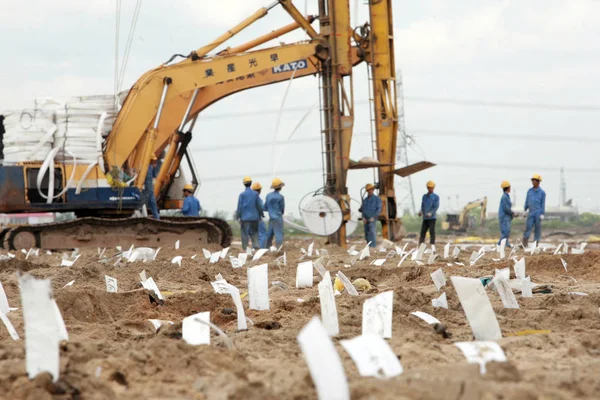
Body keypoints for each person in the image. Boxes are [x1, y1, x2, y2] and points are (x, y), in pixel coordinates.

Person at [236, 176, 263, 250]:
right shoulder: (255, 194)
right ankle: (256, 247)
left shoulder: (242, 195)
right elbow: (259, 206)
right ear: (251, 183)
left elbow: (239, 207)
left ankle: (245, 249)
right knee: (254, 233)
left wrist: (238, 217)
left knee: (245, 235)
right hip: (255, 218)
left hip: (245, 218)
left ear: (244, 184)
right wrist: (261, 215)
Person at [523, 174, 546, 247]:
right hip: (531, 212)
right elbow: (527, 201)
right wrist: (525, 209)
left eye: (534, 181)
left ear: (538, 182)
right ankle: (525, 242)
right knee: (528, 227)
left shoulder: (542, 193)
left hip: (538, 212)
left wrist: (542, 213)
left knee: (537, 228)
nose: (533, 182)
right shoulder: (529, 191)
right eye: (532, 180)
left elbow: (543, 204)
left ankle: (536, 243)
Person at [265, 178, 286, 248]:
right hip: (278, 218)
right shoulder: (280, 197)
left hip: (271, 218)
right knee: (279, 234)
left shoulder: (268, 196)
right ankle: (279, 249)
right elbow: (282, 209)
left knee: (269, 235)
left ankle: (267, 248)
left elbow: (265, 207)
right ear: (280, 187)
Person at [360, 183, 382, 248]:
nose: (370, 191)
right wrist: (363, 218)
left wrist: (374, 217)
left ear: (373, 190)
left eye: (371, 190)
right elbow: (363, 210)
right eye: (369, 190)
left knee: (372, 232)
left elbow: (379, 209)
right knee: (366, 233)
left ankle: (373, 247)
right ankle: (368, 246)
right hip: (366, 219)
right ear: (367, 191)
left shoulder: (377, 199)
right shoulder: (365, 200)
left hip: (372, 218)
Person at [419, 181, 439, 245]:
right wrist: (421, 212)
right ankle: (421, 244)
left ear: (433, 188)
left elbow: (436, 207)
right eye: (429, 187)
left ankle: (432, 244)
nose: (430, 189)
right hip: (425, 218)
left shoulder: (436, 197)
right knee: (423, 232)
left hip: (432, 218)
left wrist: (431, 213)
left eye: (431, 188)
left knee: (432, 232)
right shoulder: (424, 196)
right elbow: (422, 206)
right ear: (427, 188)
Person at [498, 180, 515, 247]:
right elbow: (506, 208)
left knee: (506, 232)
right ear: (508, 188)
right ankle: (499, 245)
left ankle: (507, 244)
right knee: (505, 232)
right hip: (504, 217)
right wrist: (512, 213)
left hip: (505, 217)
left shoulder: (506, 196)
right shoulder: (505, 197)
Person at [252, 181, 268, 248]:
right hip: (258, 219)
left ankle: (254, 249)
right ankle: (261, 249)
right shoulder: (258, 199)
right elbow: (262, 208)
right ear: (260, 190)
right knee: (262, 234)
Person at [145, 155, 160, 219]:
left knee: (151, 202)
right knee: (152, 202)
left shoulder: (150, 167)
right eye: (153, 160)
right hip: (148, 188)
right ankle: (157, 218)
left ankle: (156, 218)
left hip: (148, 188)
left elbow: (154, 177)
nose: (154, 162)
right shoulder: (149, 167)